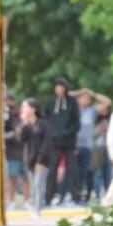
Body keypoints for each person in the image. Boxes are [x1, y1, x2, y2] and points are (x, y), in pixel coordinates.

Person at [44, 78, 80, 206]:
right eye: (57, 87)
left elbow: (77, 123)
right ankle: (48, 197)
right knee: (52, 170)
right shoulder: (50, 103)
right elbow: (46, 120)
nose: (59, 89)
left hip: (69, 142)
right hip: (54, 142)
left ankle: (75, 196)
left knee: (73, 169)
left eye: (61, 87)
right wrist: (53, 134)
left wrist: (67, 133)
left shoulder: (72, 103)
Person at [73, 88, 109, 204]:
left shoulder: (91, 111)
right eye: (83, 98)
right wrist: (79, 92)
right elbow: (62, 96)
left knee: (88, 172)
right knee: (76, 173)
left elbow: (107, 102)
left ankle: (88, 195)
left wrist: (92, 93)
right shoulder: (73, 110)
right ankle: (76, 196)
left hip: (88, 146)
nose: (86, 100)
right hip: (74, 145)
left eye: (88, 99)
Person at [19, 98, 50, 215]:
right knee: (33, 185)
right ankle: (35, 207)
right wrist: (24, 123)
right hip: (30, 159)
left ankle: (37, 209)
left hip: (41, 160)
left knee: (39, 184)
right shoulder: (27, 125)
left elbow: (46, 143)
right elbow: (22, 139)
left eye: (25, 107)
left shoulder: (43, 123)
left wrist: (40, 160)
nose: (23, 109)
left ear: (33, 109)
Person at [3, 93, 27, 211]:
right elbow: (2, 135)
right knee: (12, 177)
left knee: (25, 177)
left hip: (24, 150)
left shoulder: (19, 115)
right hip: (12, 151)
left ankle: (27, 201)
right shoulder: (5, 117)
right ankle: (11, 201)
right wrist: (14, 133)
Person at [89, 100, 112, 202]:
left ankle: (109, 195)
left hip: (108, 148)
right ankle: (97, 195)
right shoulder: (94, 120)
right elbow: (92, 135)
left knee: (108, 173)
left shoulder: (111, 120)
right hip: (97, 148)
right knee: (97, 173)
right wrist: (99, 129)